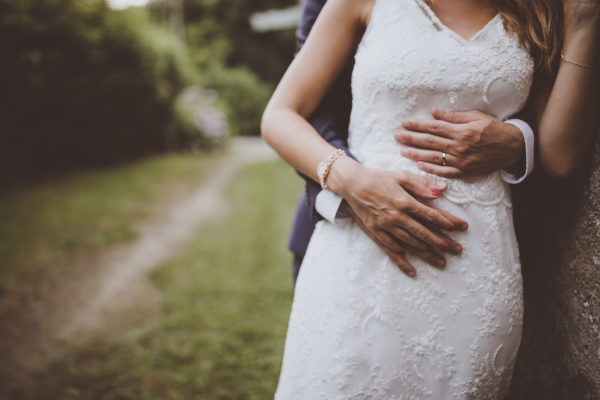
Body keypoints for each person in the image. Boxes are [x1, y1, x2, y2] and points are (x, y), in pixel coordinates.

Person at [261, 0, 596, 397]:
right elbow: (282, 114)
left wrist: (586, 22)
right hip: (362, 261)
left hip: (476, 278)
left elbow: (559, 154)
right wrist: (351, 180)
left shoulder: (536, 10)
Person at [287, 0, 536, 281]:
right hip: (353, 233)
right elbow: (305, 106)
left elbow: (533, 82)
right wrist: (354, 184)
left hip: (485, 256)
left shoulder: (531, 9)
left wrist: (519, 139)